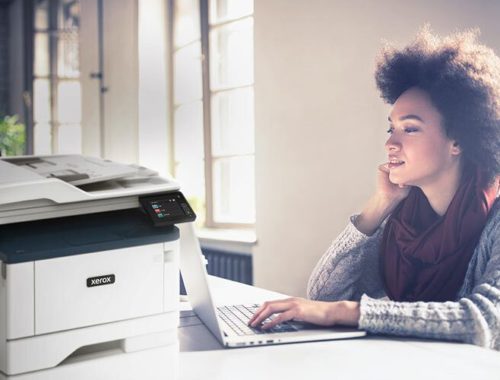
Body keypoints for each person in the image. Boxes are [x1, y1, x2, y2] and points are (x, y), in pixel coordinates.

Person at [248, 27, 500, 349]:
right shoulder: (406, 220)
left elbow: (486, 321)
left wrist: (348, 312)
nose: (390, 143)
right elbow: (325, 293)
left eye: (409, 129)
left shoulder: (495, 219)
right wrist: (380, 204)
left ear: (459, 141)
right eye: (390, 128)